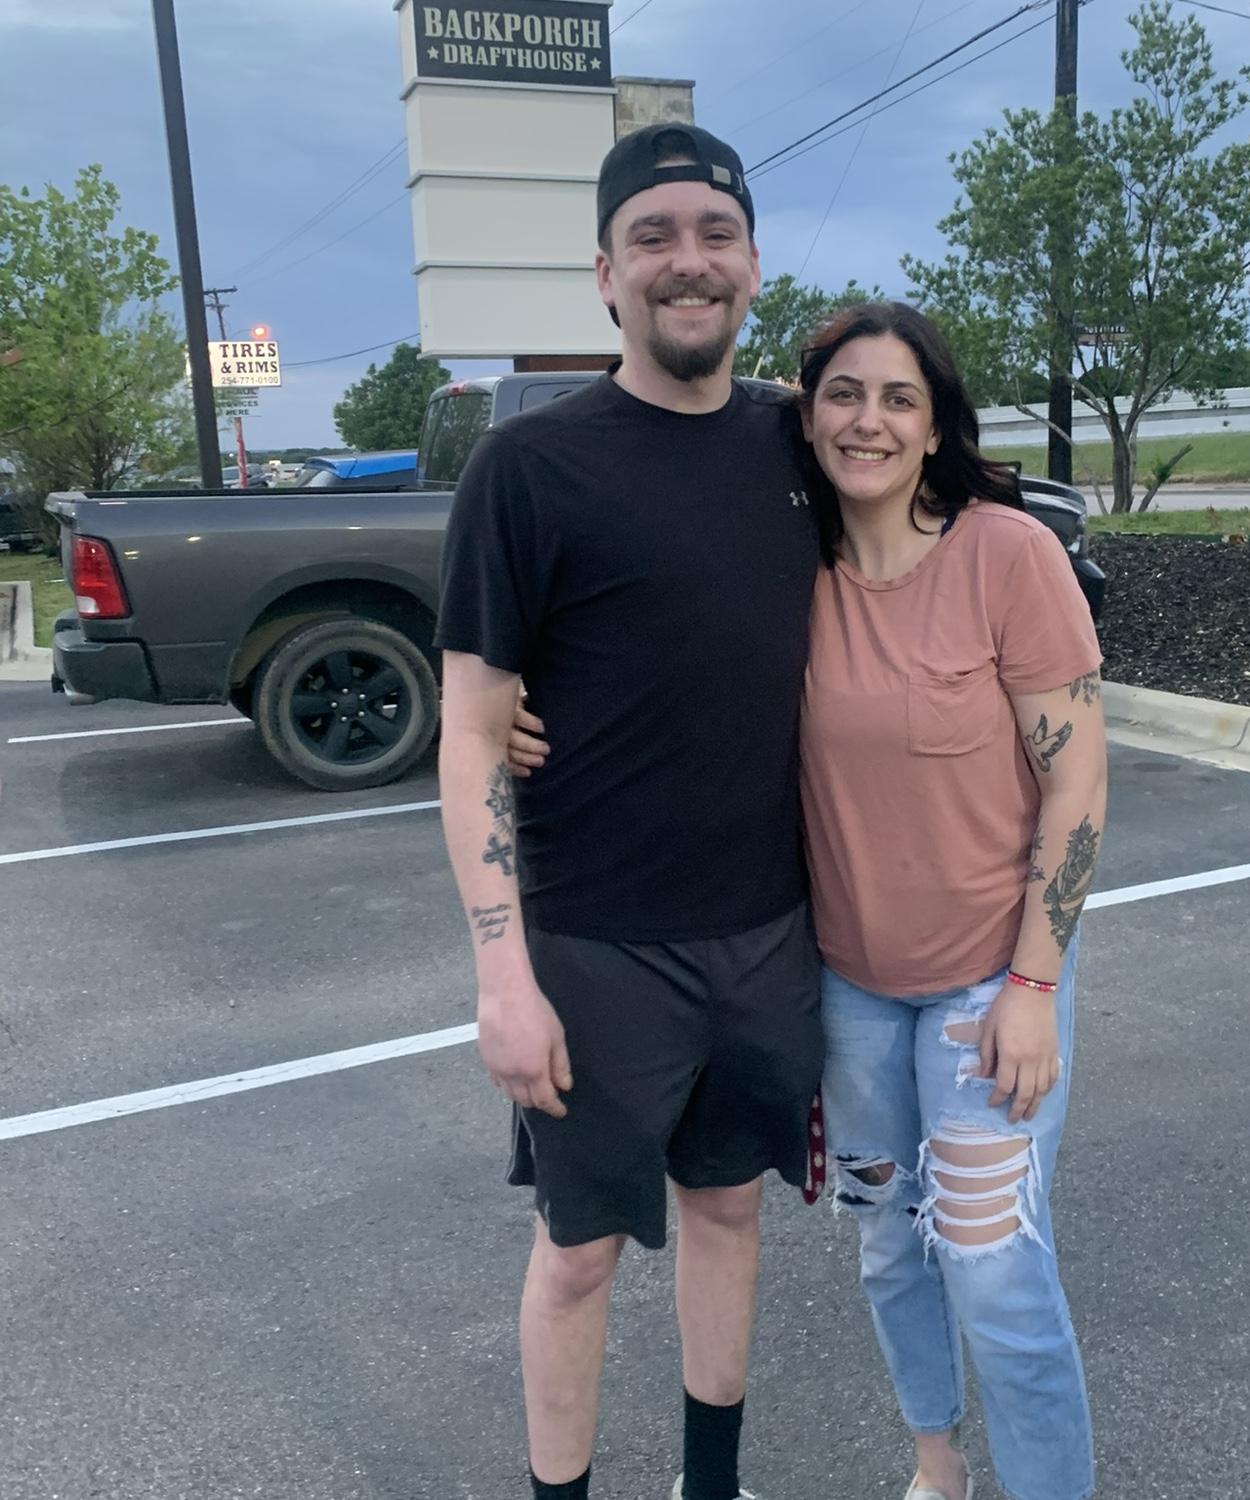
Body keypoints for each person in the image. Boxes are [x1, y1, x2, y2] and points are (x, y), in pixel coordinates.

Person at [514, 300, 1107, 1500]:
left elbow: (1079, 782)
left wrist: (1035, 985)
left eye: (899, 398)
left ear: (935, 425)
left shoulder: (1007, 555)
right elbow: (664, 653)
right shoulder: (790, 566)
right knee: (890, 1242)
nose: (868, 421)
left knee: (992, 1261)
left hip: (992, 978)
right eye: (843, 394)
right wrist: (527, 707)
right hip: (848, 988)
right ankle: (937, 1467)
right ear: (807, 414)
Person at [435, 123, 823, 1500]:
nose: (686, 261)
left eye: (714, 234)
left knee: (727, 1209)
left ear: (754, 265)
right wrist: (502, 980)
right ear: (606, 275)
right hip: (594, 946)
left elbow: (941, 513)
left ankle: (710, 1485)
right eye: (651, 236)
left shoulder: (804, 441)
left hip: (770, 932)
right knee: (580, 1252)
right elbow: (470, 733)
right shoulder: (529, 471)